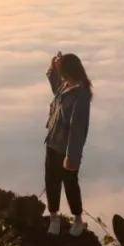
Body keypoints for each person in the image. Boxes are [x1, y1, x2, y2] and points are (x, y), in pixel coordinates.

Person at [44, 52, 93, 236]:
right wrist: (53, 68)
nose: (61, 75)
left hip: (66, 150)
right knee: (51, 181)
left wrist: (72, 158)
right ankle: (54, 217)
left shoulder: (81, 95)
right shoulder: (66, 85)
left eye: (62, 71)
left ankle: (78, 219)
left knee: (70, 183)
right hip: (52, 143)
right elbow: (56, 87)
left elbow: (77, 129)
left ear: (69, 72)